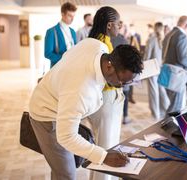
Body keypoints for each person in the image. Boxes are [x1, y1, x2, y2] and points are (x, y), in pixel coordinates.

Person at [29, 39, 143, 180]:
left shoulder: (96, 45)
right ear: (109, 67)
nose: (123, 86)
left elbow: (67, 57)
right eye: (122, 81)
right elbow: (66, 137)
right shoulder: (80, 90)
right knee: (66, 172)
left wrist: (59, 82)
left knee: (61, 165)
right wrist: (103, 156)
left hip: (60, 99)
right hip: (45, 114)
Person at [87, 6, 126, 179]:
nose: (120, 26)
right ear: (110, 25)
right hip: (106, 99)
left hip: (107, 98)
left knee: (105, 145)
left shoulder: (100, 41)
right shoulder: (101, 44)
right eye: (119, 23)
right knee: (106, 147)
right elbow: (107, 77)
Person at [144, 22, 170, 120]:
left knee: (153, 91)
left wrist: (143, 65)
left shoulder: (151, 39)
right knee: (162, 90)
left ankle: (156, 114)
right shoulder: (165, 39)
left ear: (155, 28)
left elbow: (147, 55)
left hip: (152, 68)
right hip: (162, 68)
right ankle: (166, 109)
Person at [110, 21, 133, 124]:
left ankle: (114, 117)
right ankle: (125, 116)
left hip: (109, 73)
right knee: (124, 95)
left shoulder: (107, 38)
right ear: (120, 28)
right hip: (121, 73)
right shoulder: (123, 40)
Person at [44, 2, 77, 68]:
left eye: (73, 16)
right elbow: (47, 53)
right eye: (70, 16)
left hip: (72, 67)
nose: (72, 19)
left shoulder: (73, 31)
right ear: (62, 14)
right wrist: (64, 59)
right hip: (57, 69)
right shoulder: (51, 31)